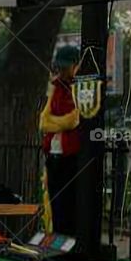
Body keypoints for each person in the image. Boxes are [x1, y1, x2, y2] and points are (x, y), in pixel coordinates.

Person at [40, 45, 82, 235]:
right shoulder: (56, 87)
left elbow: (74, 119)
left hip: (70, 154)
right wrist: (59, 123)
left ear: (76, 65)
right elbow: (43, 121)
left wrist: (54, 122)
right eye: (60, 68)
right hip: (53, 152)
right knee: (55, 200)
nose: (62, 72)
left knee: (70, 202)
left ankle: (71, 238)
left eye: (66, 67)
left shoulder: (80, 88)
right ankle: (58, 237)